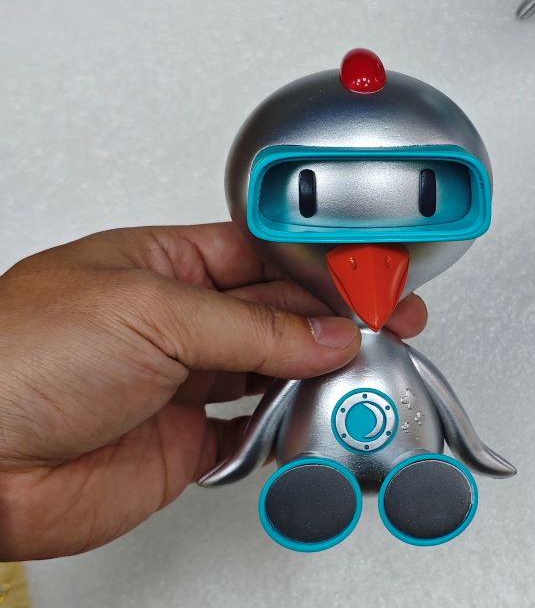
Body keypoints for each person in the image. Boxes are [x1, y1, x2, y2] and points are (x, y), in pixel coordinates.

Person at [0, 224, 426, 560]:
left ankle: (417, 477)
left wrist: (243, 457)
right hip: (318, 456)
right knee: (319, 478)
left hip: (390, 451)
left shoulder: (388, 352)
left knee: (405, 475)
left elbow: (278, 406)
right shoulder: (328, 356)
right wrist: (245, 455)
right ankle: (345, 481)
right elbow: (278, 403)